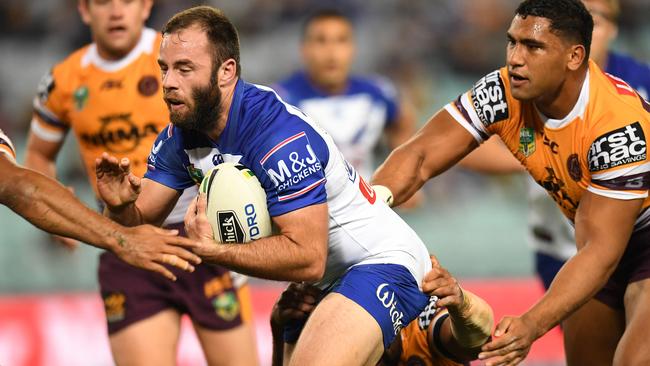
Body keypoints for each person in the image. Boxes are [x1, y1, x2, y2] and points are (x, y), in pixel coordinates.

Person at [96, 6, 434, 366]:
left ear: (226, 72)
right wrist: (119, 207)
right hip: (321, 284)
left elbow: (308, 257)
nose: (168, 83)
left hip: (380, 261)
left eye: (184, 69)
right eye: (164, 68)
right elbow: (140, 220)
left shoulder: (276, 135)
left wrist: (212, 252)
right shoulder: (181, 135)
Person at [371, 0, 650, 365]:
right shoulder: (502, 91)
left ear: (574, 56)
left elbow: (601, 252)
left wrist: (531, 324)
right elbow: (421, 154)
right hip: (592, 242)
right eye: (512, 42)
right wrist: (367, 212)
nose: (516, 58)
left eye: (533, 47)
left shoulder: (618, 128)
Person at [23, 1, 258, 365]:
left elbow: (232, 119)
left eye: (127, 0)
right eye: (103, 2)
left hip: (202, 236)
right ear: (84, 10)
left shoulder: (180, 56)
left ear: (146, 5)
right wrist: (56, 206)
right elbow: (39, 154)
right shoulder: (63, 81)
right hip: (126, 241)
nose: (116, 11)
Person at [459, 0, 650, 292]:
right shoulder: (524, 78)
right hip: (557, 244)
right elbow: (471, 146)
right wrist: (536, 156)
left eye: (595, 20)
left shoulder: (639, 82)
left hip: (631, 238)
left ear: (612, 29)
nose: (584, 28)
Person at [0, 129, 200, 280]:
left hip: (181, 229)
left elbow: (16, 185)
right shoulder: (63, 81)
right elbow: (19, 187)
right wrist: (123, 239)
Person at [270, 256, 494, 366]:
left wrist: (462, 304)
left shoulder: (422, 320)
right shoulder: (315, 324)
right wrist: (280, 328)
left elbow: (473, 345)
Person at [275, 9, 415, 181]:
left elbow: (403, 122)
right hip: (312, 204)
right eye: (321, 41)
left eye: (341, 41)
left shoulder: (377, 92)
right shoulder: (280, 102)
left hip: (367, 203)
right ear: (304, 49)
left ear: (353, 48)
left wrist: (404, 174)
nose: (331, 52)